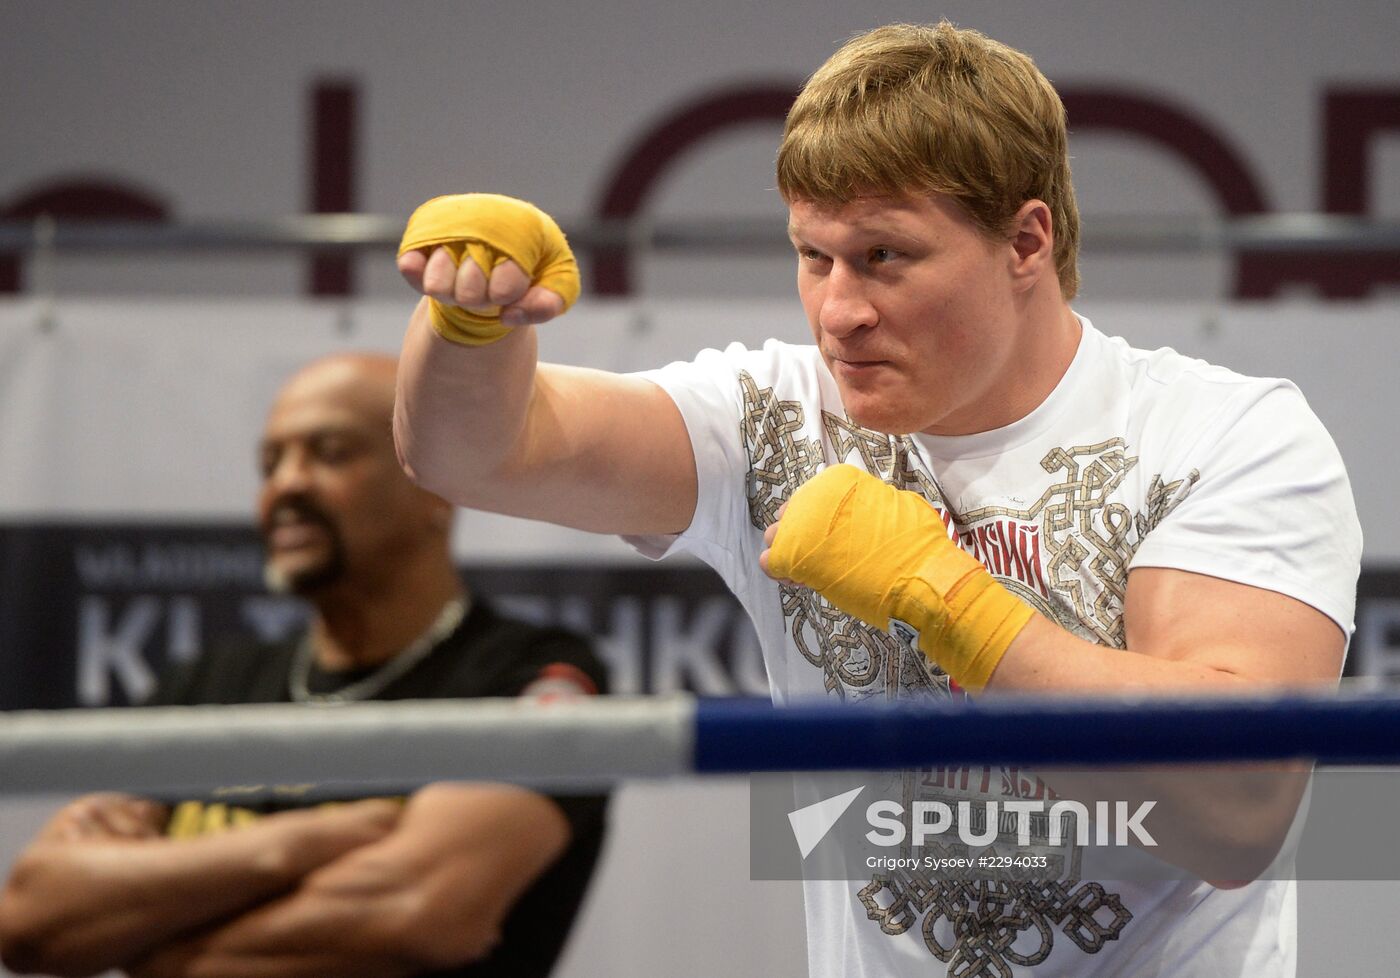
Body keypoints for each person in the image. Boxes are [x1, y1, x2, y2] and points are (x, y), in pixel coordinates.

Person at [389, 21, 1361, 978]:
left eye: (884, 257)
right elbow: (474, 454)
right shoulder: (777, 416)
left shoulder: (1218, 436)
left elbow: (1237, 809)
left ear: (1026, 241)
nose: (838, 311)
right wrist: (468, 329)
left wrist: (950, 602)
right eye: (813, 258)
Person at [0, 353, 609, 978]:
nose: (287, 484)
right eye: (271, 464)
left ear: (437, 489)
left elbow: (414, 912)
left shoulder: (525, 676)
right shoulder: (210, 683)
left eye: (331, 452)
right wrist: (296, 846)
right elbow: (31, 917)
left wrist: (157, 946)